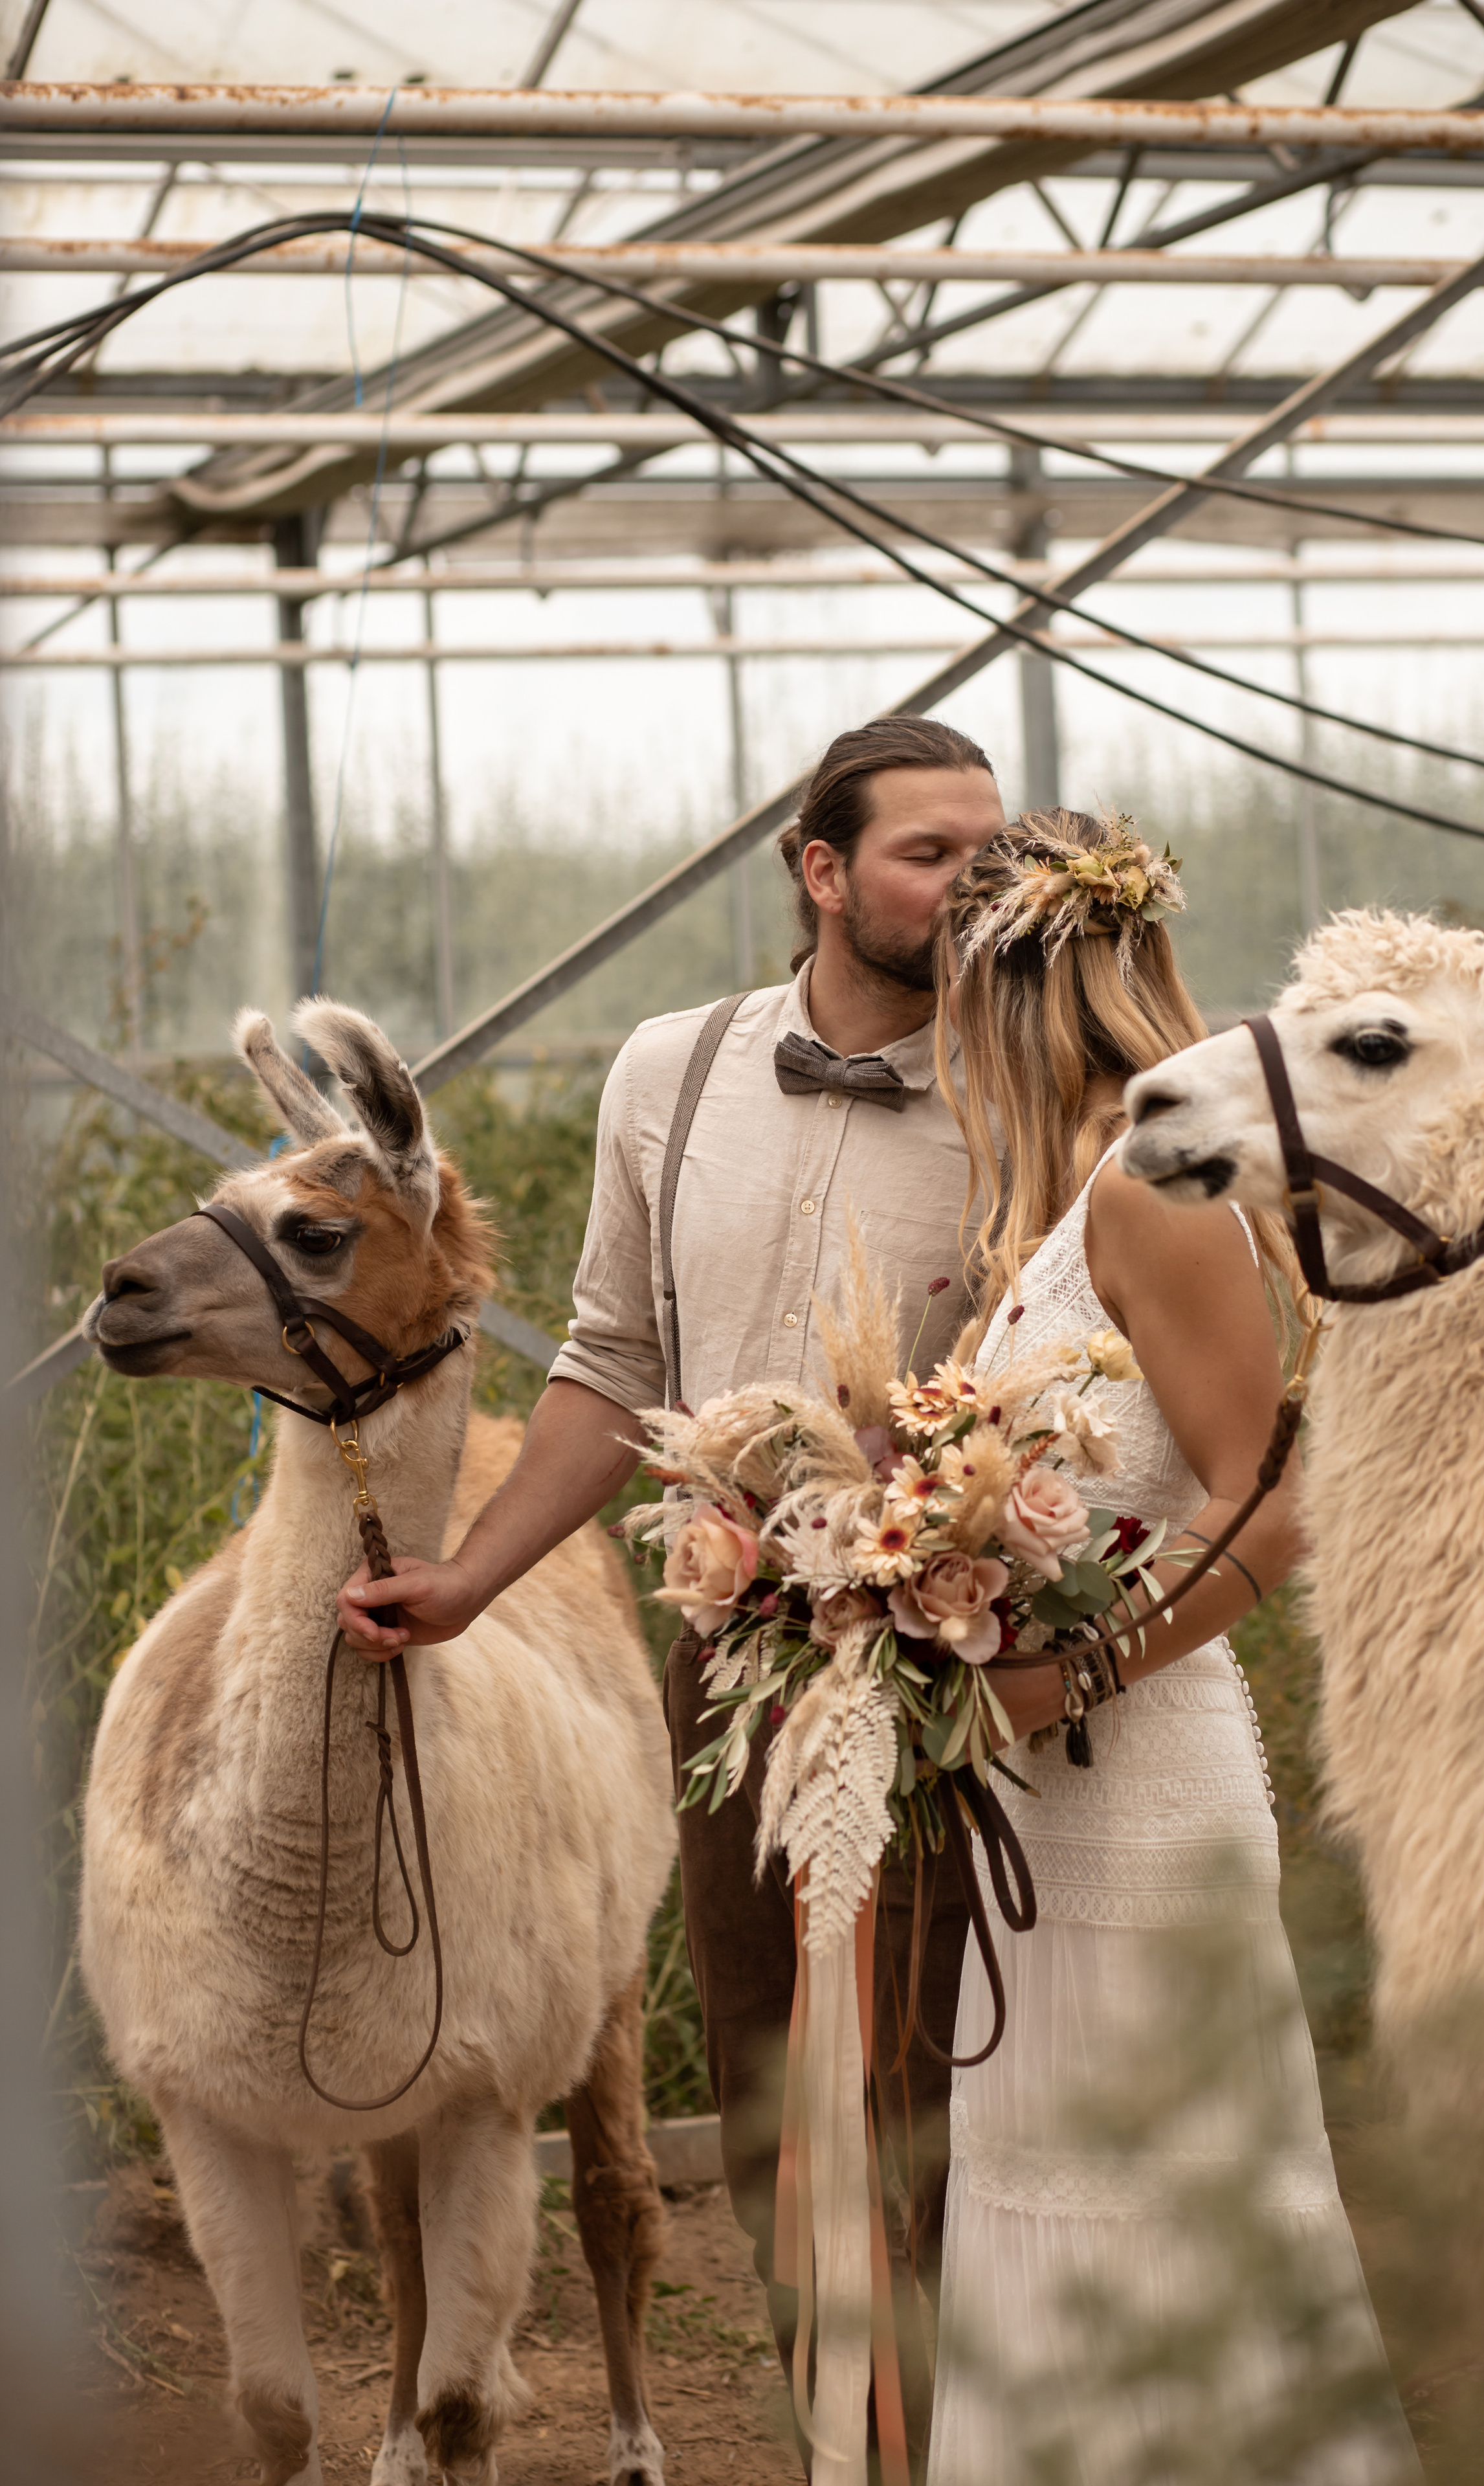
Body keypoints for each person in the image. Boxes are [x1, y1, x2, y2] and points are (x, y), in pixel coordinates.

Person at [336, 715, 1007, 2477]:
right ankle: (837, 2443)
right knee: (776, 2089)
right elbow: (612, 1364)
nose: (969, 885)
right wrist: (472, 1578)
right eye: (930, 852)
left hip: (956, 1661)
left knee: (943, 2095)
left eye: (986, 851)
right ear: (821, 869)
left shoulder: (1025, 1088)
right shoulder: (673, 1071)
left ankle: (962, 2442)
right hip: (729, 1663)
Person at [925, 811, 1419, 2485]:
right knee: (1046, 2173)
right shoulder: (1063, 1201)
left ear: (1004, 991)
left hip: (1136, 1777)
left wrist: (1070, 1677)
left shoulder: (1154, 1182)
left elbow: (1270, 1504)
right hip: (1045, 1800)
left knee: (1167, 2191)